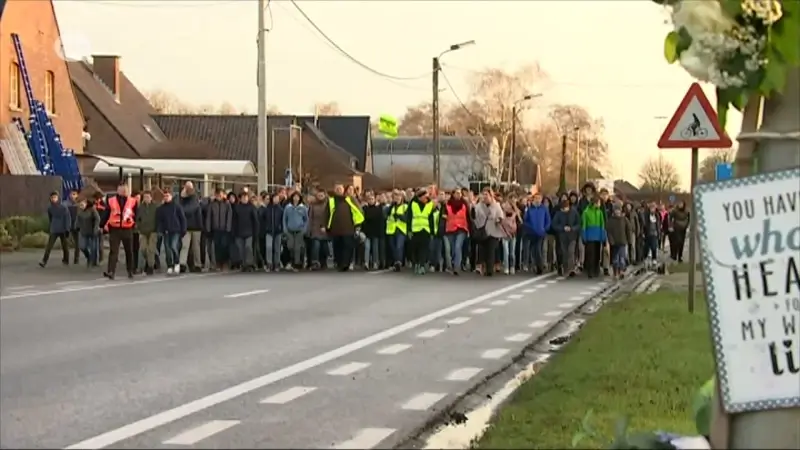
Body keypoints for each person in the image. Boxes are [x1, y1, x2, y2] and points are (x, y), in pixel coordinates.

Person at [325, 184, 364, 272]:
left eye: (340, 189)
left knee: (347, 246)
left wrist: (357, 224)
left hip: (348, 228)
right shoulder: (331, 200)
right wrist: (325, 225)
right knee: (337, 246)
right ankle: (339, 263)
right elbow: (327, 213)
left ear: (343, 190)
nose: (339, 190)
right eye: (337, 189)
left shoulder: (350, 199)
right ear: (335, 190)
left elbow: (358, 210)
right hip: (335, 228)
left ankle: (345, 264)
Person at [103, 183, 138, 280]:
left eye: (125, 190)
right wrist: (102, 226)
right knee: (114, 251)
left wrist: (135, 224)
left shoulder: (133, 201)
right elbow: (106, 213)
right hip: (115, 229)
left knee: (129, 251)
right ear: (118, 191)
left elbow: (137, 214)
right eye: (122, 190)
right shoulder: (111, 201)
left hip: (128, 228)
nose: (124, 192)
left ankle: (130, 270)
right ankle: (111, 271)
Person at [473, 190, 504, 277]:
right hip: (482, 230)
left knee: (491, 250)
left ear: (491, 196)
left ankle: (489, 270)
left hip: (493, 230)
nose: (485, 196)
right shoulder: (479, 206)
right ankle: (482, 266)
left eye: (487, 194)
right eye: (483, 194)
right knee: (483, 249)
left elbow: (501, 216)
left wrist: (498, 220)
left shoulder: (496, 205)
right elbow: (475, 217)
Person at [156, 190, 186, 275]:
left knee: (173, 246)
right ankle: (170, 265)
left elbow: (182, 219)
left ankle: (176, 263)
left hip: (176, 230)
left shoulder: (177, 207)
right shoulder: (161, 209)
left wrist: (183, 230)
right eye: (165, 196)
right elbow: (159, 221)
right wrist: (160, 230)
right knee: (167, 249)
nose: (166, 197)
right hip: (166, 231)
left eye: (167, 196)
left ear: (171, 196)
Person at [39, 191, 71, 268]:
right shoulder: (50, 208)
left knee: (65, 246)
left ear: (58, 198)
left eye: (55, 197)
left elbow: (67, 218)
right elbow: (50, 218)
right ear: (50, 198)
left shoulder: (63, 207)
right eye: (52, 197)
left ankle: (66, 260)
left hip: (63, 229)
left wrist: (67, 229)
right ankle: (44, 261)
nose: (54, 199)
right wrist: (51, 226)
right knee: (49, 246)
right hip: (54, 229)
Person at [407, 189, 435, 275]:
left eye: (427, 196)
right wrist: (409, 230)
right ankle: (416, 263)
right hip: (415, 230)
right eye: (424, 196)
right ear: (420, 197)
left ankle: (422, 265)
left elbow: (431, 219)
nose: (426, 198)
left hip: (425, 229)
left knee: (423, 248)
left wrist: (432, 232)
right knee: (415, 248)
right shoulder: (413, 204)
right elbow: (409, 217)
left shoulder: (430, 204)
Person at [551, 198, 581, 277]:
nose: (563, 210)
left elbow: (578, 224)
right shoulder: (558, 214)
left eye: (564, 209)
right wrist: (562, 228)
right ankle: (565, 268)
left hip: (572, 236)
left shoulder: (574, 212)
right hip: (562, 236)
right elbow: (554, 224)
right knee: (564, 253)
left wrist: (572, 228)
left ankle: (571, 269)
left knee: (571, 252)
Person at [523, 193, 551, 274]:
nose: (538, 200)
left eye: (539, 198)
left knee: (538, 249)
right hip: (532, 233)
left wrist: (545, 229)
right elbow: (526, 220)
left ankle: (540, 267)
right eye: (536, 198)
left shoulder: (544, 209)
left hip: (541, 233)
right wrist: (530, 228)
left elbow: (548, 220)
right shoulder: (529, 209)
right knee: (533, 250)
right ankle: (535, 265)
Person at [205, 188, 233, 271]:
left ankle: (225, 262)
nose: (219, 196)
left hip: (224, 229)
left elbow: (229, 216)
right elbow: (209, 217)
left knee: (224, 246)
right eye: (218, 195)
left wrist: (228, 228)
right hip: (215, 229)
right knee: (216, 247)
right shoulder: (212, 204)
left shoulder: (227, 204)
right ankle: (218, 263)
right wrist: (208, 228)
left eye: (220, 194)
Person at [179, 182, 203, 273]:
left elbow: (189, 210)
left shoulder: (194, 199)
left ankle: (197, 264)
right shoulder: (182, 200)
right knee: (185, 246)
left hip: (196, 226)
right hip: (187, 226)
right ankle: (182, 263)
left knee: (196, 247)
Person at [444, 189, 469, 275]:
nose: (459, 195)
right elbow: (443, 215)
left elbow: (468, 216)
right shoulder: (447, 204)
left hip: (461, 228)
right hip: (450, 229)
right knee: (453, 248)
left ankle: (456, 267)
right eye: (457, 193)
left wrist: (470, 229)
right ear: (453, 194)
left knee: (458, 246)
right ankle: (453, 262)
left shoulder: (464, 204)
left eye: (460, 193)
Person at [232, 191, 259, 272]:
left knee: (248, 247)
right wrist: (233, 232)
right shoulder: (237, 208)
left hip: (249, 232)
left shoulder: (251, 207)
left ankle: (249, 264)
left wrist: (256, 232)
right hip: (239, 232)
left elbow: (255, 221)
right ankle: (243, 264)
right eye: (243, 197)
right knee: (241, 249)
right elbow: (234, 221)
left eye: (246, 197)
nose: (245, 198)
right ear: (240, 198)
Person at [581, 195, 607, 278]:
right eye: (598, 203)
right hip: (590, 236)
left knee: (597, 254)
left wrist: (603, 236)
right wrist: (584, 236)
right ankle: (590, 271)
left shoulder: (600, 212)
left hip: (598, 236)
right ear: (594, 203)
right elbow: (584, 225)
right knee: (590, 254)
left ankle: (596, 269)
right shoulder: (586, 212)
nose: (599, 204)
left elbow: (602, 225)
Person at [283, 192, 308, 271]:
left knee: (297, 248)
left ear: (299, 198)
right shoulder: (288, 207)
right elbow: (284, 219)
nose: (296, 198)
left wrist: (304, 229)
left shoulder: (303, 208)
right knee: (290, 246)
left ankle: (296, 263)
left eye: (297, 197)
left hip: (299, 231)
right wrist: (285, 229)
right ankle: (292, 261)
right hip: (290, 231)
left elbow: (306, 220)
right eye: (294, 197)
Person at [605, 203, 632, 279]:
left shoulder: (624, 219)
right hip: (614, 243)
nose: (617, 211)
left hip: (623, 242)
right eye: (616, 210)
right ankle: (615, 272)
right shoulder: (610, 220)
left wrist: (629, 240)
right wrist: (611, 240)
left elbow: (628, 230)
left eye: (618, 210)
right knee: (615, 259)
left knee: (622, 258)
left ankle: (621, 271)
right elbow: (608, 231)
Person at [136, 190, 159, 275]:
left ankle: (150, 266)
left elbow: (158, 219)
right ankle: (151, 262)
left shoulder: (155, 207)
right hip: (143, 231)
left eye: (148, 197)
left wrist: (157, 228)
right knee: (143, 249)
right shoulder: (140, 207)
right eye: (145, 197)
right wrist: (138, 226)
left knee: (151, 249)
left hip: (153, 231)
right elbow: (137, 219)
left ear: (151, 198)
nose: (146, 199)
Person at [385, 190, 409, 271]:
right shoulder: (391, 207)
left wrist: (399, 216)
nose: (397, 198)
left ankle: (398, 262)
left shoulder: (405, 206)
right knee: (393, 247)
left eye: (399, 196)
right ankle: (396, 261)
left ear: (402, 198)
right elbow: (385, 215)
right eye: (395, 197)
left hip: (401, 229)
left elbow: (407, 218)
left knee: (399, 246)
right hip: (392, 229)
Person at [361, 191, 385, 271]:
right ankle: (366, 263)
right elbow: (363, 220)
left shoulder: (378, 208)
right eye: (369, 199)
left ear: (375, 199)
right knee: (367, 247)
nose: (371, 200)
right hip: (367, 232)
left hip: (376, 231)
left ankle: (375, 262)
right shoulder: (364, 208)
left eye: (372, 199)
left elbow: (380, 220)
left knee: (375, 248)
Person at [260, 193, 284, 271]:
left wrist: (282, 229)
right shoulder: (267, 209)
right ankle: (269, 263)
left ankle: (276, 264)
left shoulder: (280, 209)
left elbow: (282, 220)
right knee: (269, 247)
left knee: (277, 248)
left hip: (278, 231)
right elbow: (262, 218)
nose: (276, 200)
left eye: (277, 198)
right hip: (269, 231)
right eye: (275, 198)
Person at [75, 198, 101, 268]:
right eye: (80, 204)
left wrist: (96, 228)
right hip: (83, 231)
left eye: (83, 204)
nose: (81, 206)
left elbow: (97, 219)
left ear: (86, 203)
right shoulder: (79, 210)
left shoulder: (92, 209)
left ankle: (94, 262)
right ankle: (88, 256)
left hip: (92, 231)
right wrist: (76, 226)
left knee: (93, 247)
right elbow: (78, 219)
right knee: (82, 246)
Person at [307, 190, 329, 270]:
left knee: (324, 247)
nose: (320, 197)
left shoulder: (328, 204)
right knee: (316, 246)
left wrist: (326, 227)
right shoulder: (313, 205)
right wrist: (309, 229)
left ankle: (323, 262)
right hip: (315, 228)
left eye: (322, 195)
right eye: (319, 195)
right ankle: (315, 262)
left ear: (324, 195)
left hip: (324, 228)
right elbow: (310, 217)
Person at [499, 198, 518, 275]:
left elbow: (515, 226)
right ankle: (506, 267)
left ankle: (512, 266)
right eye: (505, 204)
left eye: (508, 205)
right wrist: (505, 232)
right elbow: (501, 225)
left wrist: (511, 232)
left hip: (512, 235)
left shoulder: (514, 214)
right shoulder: (502, 214)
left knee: (512, 252)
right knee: (506, 252)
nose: (506, 206)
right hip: (504, 235)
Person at [63, 189, 81, 265]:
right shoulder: (65, 204)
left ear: (77, 195)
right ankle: (66, 259)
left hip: (77, 226)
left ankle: (76, 259)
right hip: (68, 226)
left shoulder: (80, 204)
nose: (73, 196)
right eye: (72, 194)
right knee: (66, 243)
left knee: (78, 244)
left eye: (74, 194)